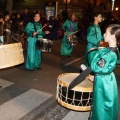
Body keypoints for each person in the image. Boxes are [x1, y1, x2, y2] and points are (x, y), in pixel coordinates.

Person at [87, 24, 119, 120]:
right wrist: (96, 77)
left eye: (106, 33)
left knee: (102, 106)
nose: (104, 34)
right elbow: (104, 69)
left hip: (104, 84)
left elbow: (96, 66)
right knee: (103, 104)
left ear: (113, 36)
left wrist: (91, 52)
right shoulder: (113, 49)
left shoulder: (110, 54)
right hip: (106, 79)